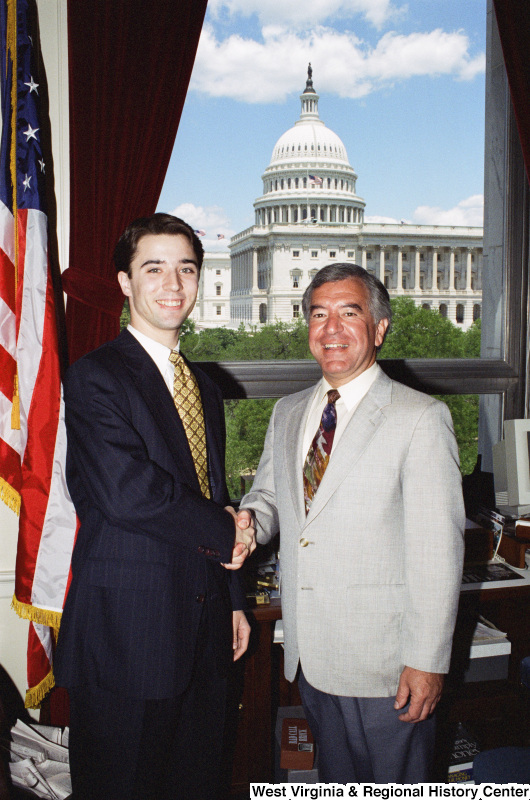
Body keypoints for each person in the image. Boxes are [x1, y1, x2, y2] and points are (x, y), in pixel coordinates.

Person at [54, 213, 255, 800]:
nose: (173, 283)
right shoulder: (95, 377)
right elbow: (128, 492)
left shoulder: (205, 387)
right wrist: (228, 533)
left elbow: (209, 492)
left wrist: (234, 602)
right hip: (128, 636)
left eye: (186, 269)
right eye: (154, 268)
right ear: (124, 282)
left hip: (206, 633)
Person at [238, 263, 465, 784]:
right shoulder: (289, 411)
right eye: (319, 314)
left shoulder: (420, 418)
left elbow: (438, 552)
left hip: (389, 667)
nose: (331, 329)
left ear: (380, 328)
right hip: (311, 656)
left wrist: (427, 661)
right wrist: (249, 520)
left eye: (349, 313)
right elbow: (272, 497)